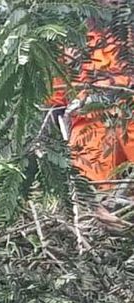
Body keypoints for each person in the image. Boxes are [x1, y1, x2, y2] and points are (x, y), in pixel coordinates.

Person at [49, 4, 133, 184]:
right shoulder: (67, 39)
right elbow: (56, 102)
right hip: (89, 123)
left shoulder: (128, 31)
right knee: (92, 187)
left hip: (129, 112)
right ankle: (101, 205)